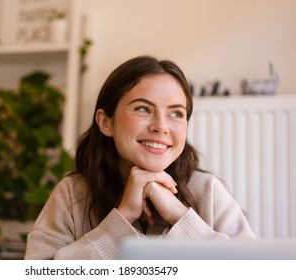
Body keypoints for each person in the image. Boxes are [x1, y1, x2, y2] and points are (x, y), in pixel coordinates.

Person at [24, 55, 256, 260]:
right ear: (106, 122)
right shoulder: (72, 194)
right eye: (143, 109)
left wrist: (181, 216)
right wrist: (121, 219)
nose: (161, 126)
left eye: (176, 113)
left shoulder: (207, 191)